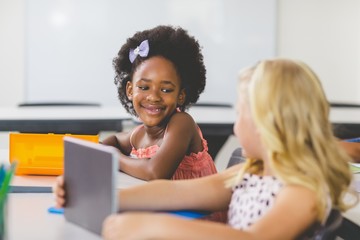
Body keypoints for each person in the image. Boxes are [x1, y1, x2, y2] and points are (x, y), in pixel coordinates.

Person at [55, 58, 357, 239]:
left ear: (269, 123)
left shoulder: (302, 190)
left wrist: (155, 227)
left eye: (241, 114)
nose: (236, 127)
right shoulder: (252, 172)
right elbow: (173, 192)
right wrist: (99, 197)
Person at [101, 25, 218, 181]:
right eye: (144, 87)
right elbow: (114, 140)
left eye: (166, 90)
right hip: (162, 204)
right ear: (130, 90)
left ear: (181, 95)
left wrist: (114, 157)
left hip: (195, 205)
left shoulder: (182, 123)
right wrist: (104, 149)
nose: (153, 97)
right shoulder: (139, 134)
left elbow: (155, 172)